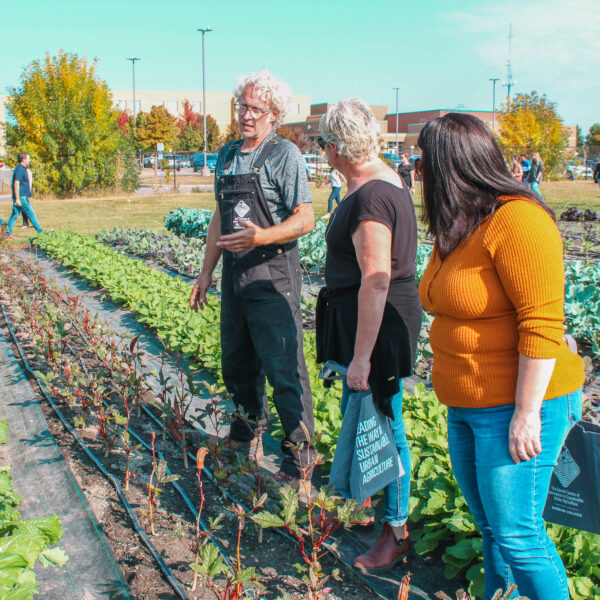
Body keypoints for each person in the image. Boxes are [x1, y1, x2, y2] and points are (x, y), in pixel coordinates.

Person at [417, 113, 584, 600]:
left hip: (519, 407)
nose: (418, 173)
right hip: (467, 405)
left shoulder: (518, 220)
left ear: (453, 166)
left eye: (425, 164)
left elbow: (541, 321)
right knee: (491, 528)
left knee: (518, 535)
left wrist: (527, 414)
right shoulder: (460, 224)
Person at [189, 70, 315, 485]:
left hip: (272, 276)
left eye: (255, 109)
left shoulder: (285, 156)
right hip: (234, 277)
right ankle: (243, 437)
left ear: (274, 114)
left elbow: (305, 219)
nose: (245, 115)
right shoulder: (226, 155)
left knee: (284, 369)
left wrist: (262, 235)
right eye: (241, 106)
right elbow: (217, 220)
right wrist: (206, 273)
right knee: (237, 364)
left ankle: (299, 462)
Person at [316, 98, 422, 571]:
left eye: (324, 145)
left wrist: (362, 359)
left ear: (338, 148)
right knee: (367, 420)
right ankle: (366, 498)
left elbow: (377, 276)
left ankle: (395, 530)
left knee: (387, 425)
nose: (324, 154)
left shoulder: (372, 196)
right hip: (366, 324)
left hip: (376, 330)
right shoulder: (378, 182)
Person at [8, 152, 43, 236]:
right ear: (23, 160)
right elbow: (16, 184)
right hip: (21, 197)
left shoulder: (23, 169)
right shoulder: (20, 169)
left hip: (23, 196)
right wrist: (17, 199)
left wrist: (29, 195)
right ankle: (41, 232)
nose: (29, 160)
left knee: (14, 215)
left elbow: (24, 185)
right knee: (31, 214)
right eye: (28, 158)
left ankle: (8, 233)